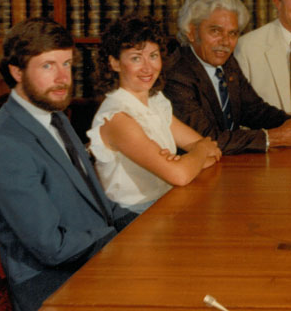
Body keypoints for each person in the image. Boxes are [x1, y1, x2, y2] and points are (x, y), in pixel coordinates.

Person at [0, 18, 138, 311]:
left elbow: (101, 204)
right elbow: (52, 248)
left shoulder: (54, 115)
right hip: (53, 290)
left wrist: (143, 228)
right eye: (48, 66)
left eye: (67, 64)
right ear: (16, 71)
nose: (63, 78)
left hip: (92, 262)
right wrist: (118, 241)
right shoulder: (5, 146)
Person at [163, 0, 291, 154]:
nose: (225, 42)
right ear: (191, 32)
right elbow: (206, 140)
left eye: (232, 34)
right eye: (215, 31)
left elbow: (254, 110)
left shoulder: (226, 61)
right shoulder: (176, 74)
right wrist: (274, 137)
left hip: (230, 163)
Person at [87, 15, 222, 213]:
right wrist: (196, 154)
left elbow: (213, 153)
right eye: (136, 58)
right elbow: (183, 173)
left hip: (165, 203)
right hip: (132, 218)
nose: (148, 67)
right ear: (114, 63)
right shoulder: (117, 117)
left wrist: (188, 159)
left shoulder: (155, 101)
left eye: (153, 56)